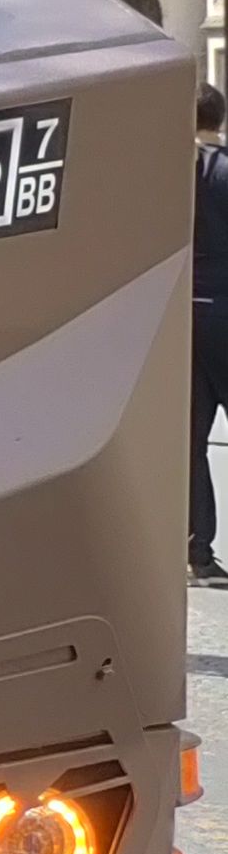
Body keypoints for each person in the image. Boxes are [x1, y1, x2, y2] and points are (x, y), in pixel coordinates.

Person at [194, 86, 228, 585]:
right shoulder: (223, 169)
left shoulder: (159, 169)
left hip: (182, 314)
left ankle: (198, 553)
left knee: (190, 437)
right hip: (226, 307)